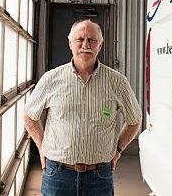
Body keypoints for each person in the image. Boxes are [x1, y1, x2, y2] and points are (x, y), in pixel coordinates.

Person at [24, 19, 142, 196]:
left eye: (92, 40)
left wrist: (117, 150)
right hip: (58, 175)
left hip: (99, 177)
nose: (86, 44)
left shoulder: (117, 82)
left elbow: (134, 119)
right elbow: (29, 115)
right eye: (80, 39)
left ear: (100, 46)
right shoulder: (51, 79)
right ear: (70, 44)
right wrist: (41, 147)